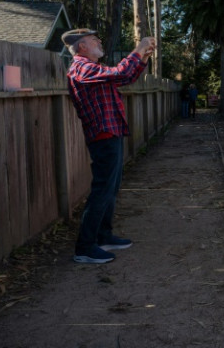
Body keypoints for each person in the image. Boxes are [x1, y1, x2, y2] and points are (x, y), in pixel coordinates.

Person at [63, 28, 155, 264]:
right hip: (103, 136)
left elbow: (124, 77)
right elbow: (121, 71)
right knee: (102, 190)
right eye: (94, 40)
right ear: (82, 46)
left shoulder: (95, 70)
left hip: (110, 133)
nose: (99, 41)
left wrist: (143, 57)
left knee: (110, 189)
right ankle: (85, 247)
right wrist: (139, 47)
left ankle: (103, 236)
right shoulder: (81, 67)